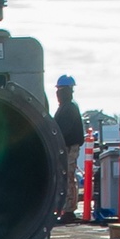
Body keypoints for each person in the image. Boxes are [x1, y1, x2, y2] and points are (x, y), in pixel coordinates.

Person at [53, 75, 84, 225]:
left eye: (60, 90)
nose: (58, 94)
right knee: (65, 177)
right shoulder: (65, 108)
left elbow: (63, 130)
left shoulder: (69, 108)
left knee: (68, 177)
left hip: (69, 147)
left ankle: (69, 210)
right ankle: (65, 208)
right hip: (65, 147)